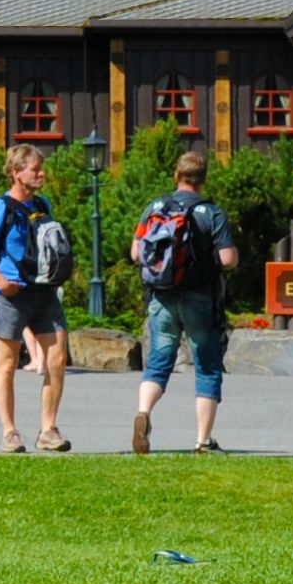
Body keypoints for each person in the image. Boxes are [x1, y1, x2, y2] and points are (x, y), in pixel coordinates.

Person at [127, 147, 236, 454]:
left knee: (159, 364)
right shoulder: (210, 212)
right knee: (207, 366)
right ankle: (203, 440)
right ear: (203, 180)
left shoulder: (155, 206)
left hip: (161, 298)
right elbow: (228, 258)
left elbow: (136, 253)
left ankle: (144, 412)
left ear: (176, 176)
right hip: (200, 297)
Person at [0, 144, 74, 451]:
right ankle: (10, 432)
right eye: (35, 169)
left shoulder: (42, 204)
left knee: (56, 360)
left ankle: (48, 429)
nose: (41, 173)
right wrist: (1, 283)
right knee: (7, 363)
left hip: (44, 293)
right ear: (16, 172)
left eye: (42, 168)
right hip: (12, 296)